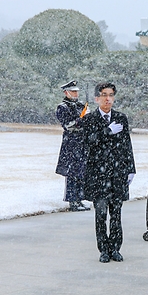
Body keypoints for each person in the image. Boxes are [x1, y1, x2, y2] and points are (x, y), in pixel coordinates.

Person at [82, 82, 136, 263]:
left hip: (117, 172)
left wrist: (131, 169)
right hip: (98, 174)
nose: (108, 98)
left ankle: (115, 248)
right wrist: (107, 131)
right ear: (97, 98)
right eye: (104, 95)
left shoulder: (121, 118)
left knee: (116, 213)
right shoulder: (90, 119)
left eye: (111, 95)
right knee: (100, 214)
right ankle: (103, 249)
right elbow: (89, 142)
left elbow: (127, 145)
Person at [55, 80, 89, 212]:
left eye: (76, 91)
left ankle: (79, 199)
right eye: (73, 91)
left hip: (82, 142)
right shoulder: (62, 107)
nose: (76, 94)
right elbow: (68, 125)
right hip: (71, 143)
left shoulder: (81, 105)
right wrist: (80, 120)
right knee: (71, 173)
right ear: (66, 92)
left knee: (81, 172)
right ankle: (72, 201)